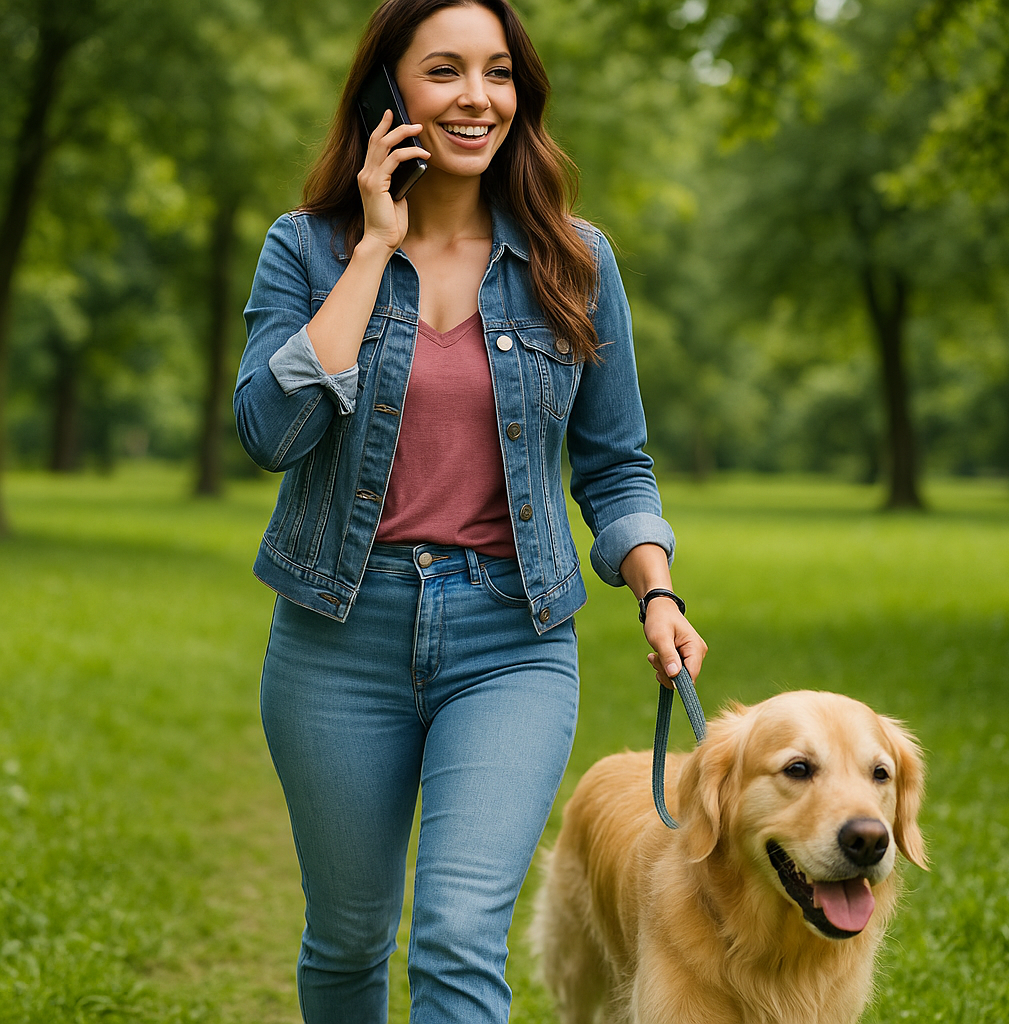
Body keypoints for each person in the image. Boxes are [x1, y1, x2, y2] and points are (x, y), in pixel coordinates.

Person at [234, 1, 707, 1021]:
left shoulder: (573, 261)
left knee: (455, 932)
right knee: (350, 936)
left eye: (497, 73)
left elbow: (616, 465)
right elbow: (268, 433)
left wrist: (655, 589)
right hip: (335, 635)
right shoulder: (306, 249)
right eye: (443, 71)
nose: (476, 97)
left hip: (510, 638)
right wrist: (371, 250)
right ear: (385, 93)